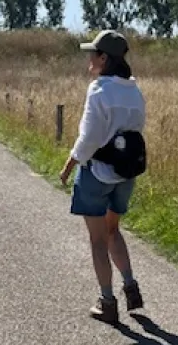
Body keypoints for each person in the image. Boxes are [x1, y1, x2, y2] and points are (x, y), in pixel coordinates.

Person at [60, 29, 147, 324]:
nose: (89, 59)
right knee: (113, 231)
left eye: (93, 54)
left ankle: (107, 302)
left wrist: (69, 165)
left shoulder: (99, 90)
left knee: (97, 240)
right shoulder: (134, 91)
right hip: (125, 173)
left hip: (97, 172)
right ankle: (130, 285)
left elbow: (89, 138)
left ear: (104, 58)